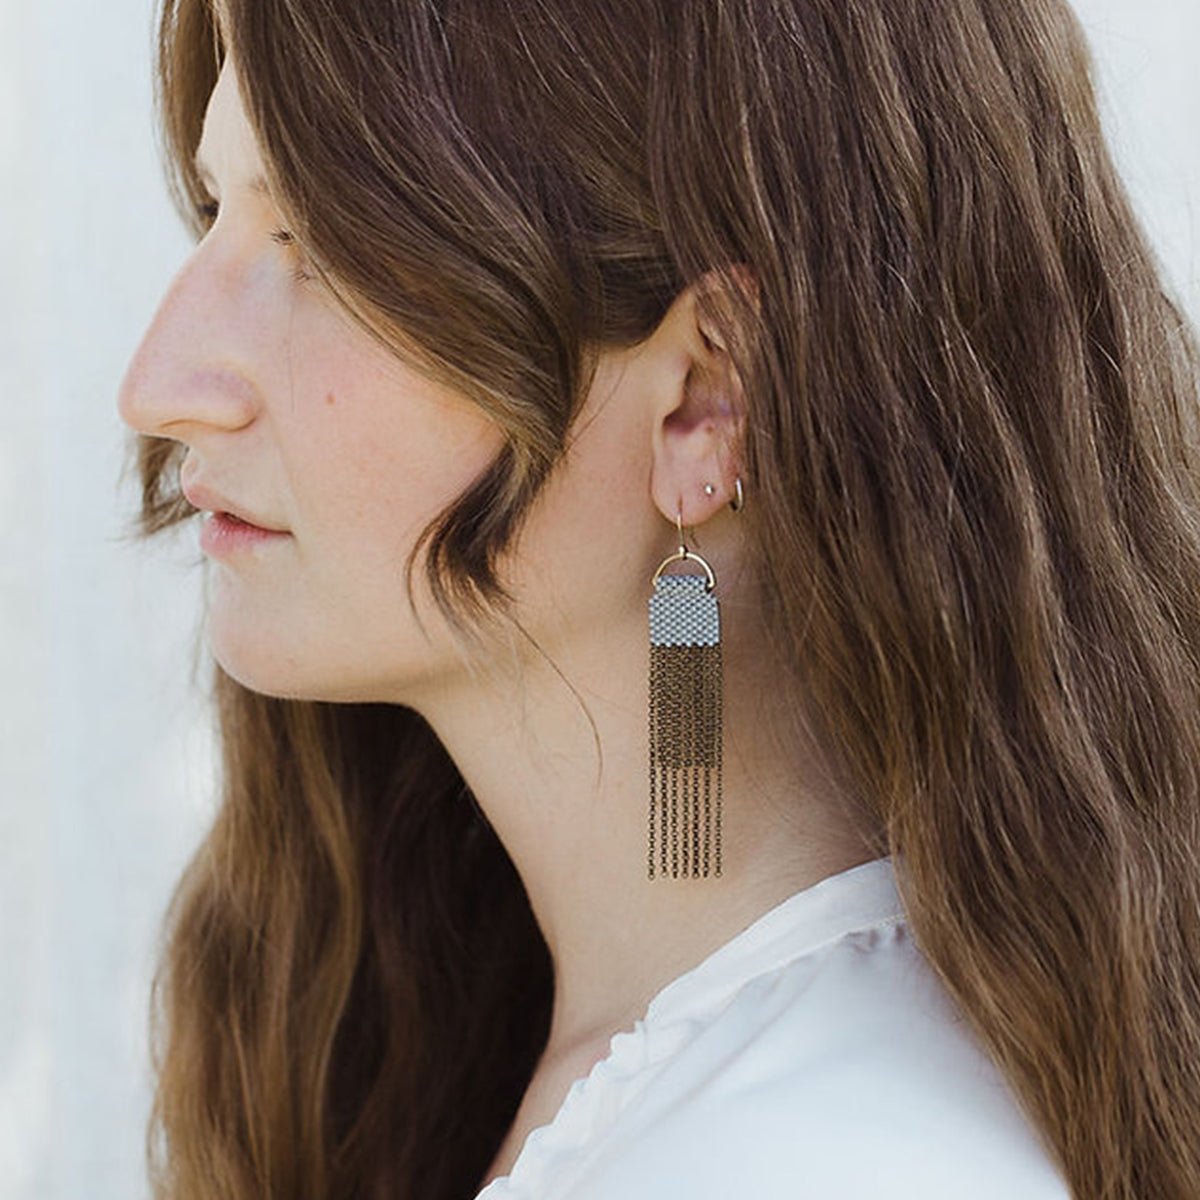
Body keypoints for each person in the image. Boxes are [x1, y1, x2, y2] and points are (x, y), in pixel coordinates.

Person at [116, 0, 1200, 1196]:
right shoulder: (584, 1058)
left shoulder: (813, 1157)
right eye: (217, 210)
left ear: (705, 403)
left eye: (315, 244)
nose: (158, 388)